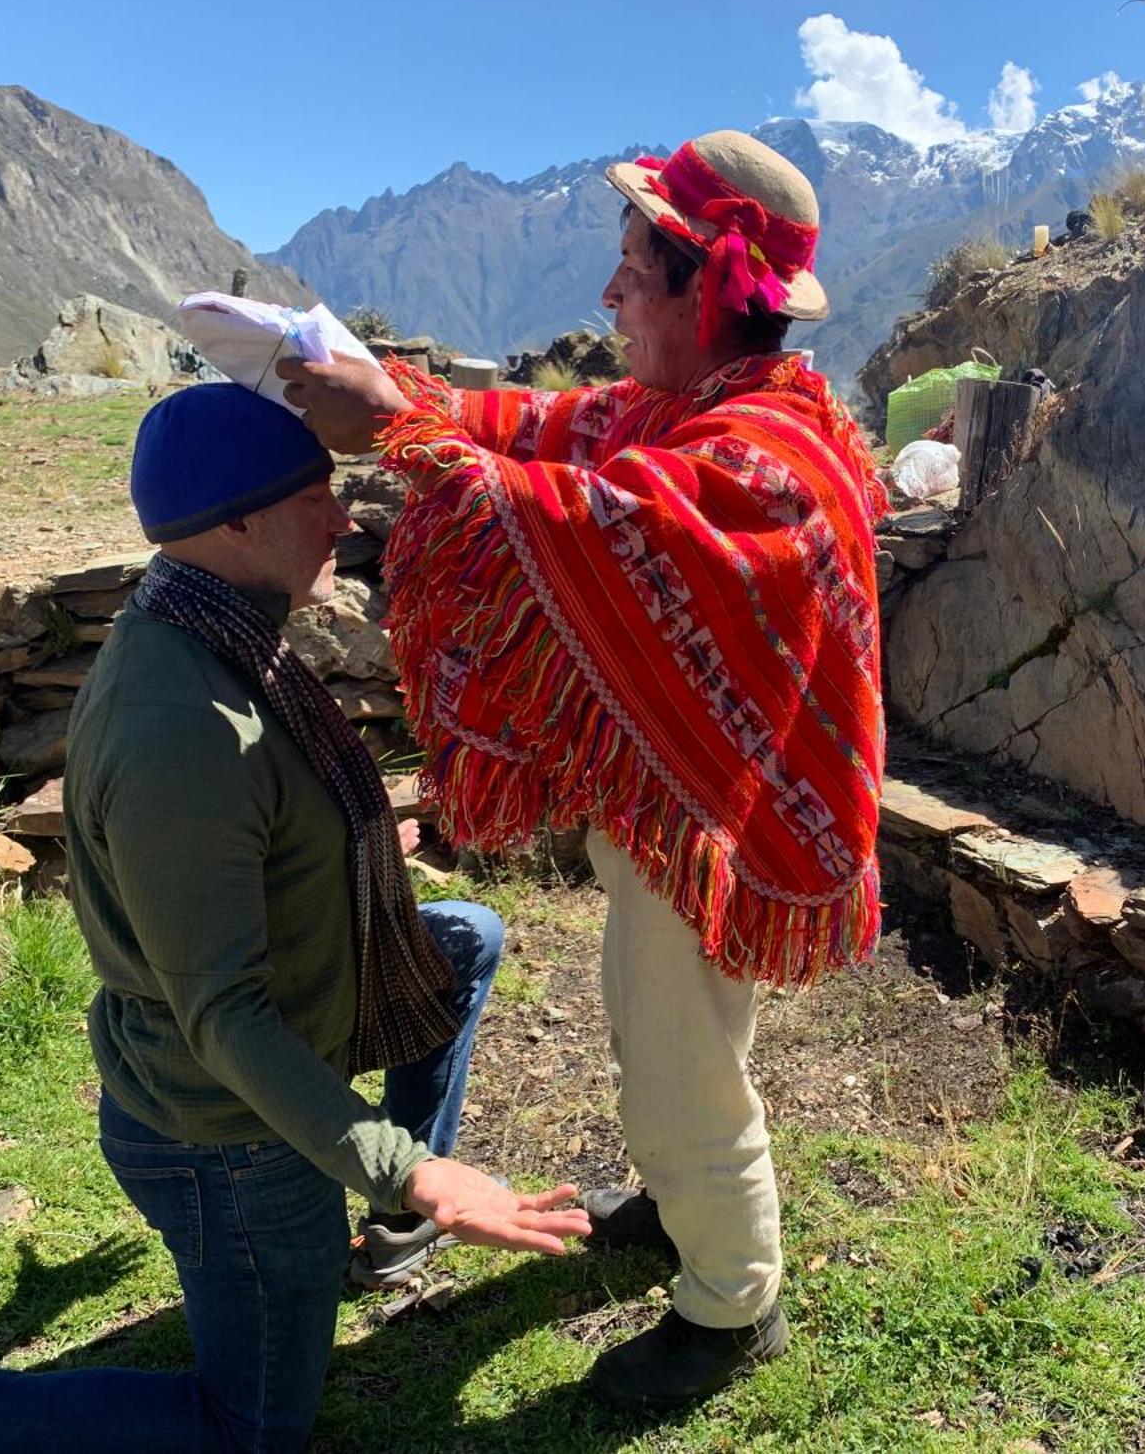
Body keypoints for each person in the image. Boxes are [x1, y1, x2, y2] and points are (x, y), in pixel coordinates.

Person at [0, 385, 590, 1454]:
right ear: (236, 525)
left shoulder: (212, 625)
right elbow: (224, 1014)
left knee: (459, 940)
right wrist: (416, 1167)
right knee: (248, 1431)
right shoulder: (187, 727)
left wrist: (340, 861)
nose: (343, 520)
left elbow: (254, 836)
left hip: (243, 1087)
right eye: (314, 498)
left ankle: (391, 1221)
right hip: (223, 1139)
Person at [275, 129, 888, 1409]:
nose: (607, 296)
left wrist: (399, 441)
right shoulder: (686, 412)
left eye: (630, 269)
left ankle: (733, 1304)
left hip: (723, 822)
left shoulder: (762, 461)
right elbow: (541, 426)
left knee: (682, 1061)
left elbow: (597, 521)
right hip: (683, 806)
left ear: (707, 289)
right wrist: (394, 398)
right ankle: (676, 1211)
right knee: (657, 1027)